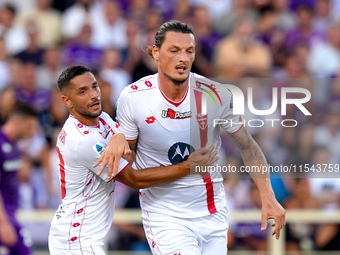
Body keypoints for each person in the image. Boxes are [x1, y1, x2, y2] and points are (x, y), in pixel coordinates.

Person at [96, 20, 286, 254]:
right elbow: (130, 165)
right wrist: (118, 139)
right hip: (165, 215)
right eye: (174, 51)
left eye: (189, 51)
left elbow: (248, 147)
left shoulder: (215, 94)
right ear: (156, 53)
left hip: (212, 212)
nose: (183, 58)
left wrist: (268, 195)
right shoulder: (133, 97)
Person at [48, 65, 217, 254]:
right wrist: (187, 166)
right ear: (67, 101)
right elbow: (133, 179)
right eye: (82, 91)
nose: (94, 95)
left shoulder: (102, 119)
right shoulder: (83, 141)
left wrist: (123, 140)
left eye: (95, 86)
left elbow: (130, 151)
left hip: (83, 235)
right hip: (75, 238)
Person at [0, 102, 39, 255]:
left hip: (11, 215)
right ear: (16, 122)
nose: (33, 132)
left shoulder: (15, 147)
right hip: (3, 220)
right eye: (30, 126)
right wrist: (2, 223)